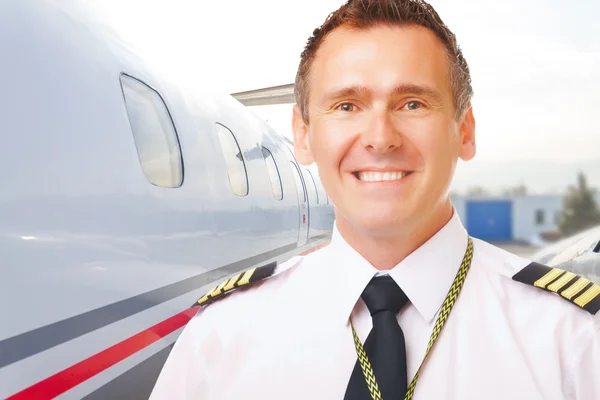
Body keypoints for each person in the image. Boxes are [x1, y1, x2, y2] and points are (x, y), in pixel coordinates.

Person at [150, 0, 600, 399]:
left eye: (412, 104)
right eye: (347, 106)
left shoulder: (575, 342)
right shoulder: (218, 339)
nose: (381, 139)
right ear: (303, 135)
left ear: (465, 131)